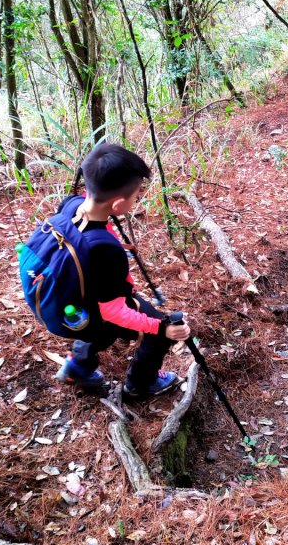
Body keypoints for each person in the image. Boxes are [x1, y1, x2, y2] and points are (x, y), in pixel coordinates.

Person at [53, 142, 191, 399]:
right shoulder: (106, 253)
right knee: (157, 328)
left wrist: (116, 244)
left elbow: (84, 238)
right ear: (117, 205)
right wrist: (163, 329)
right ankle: (141, 383)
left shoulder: (72, 204)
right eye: (136, 195)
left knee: (103, 330)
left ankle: (77, 366)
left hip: (74, 299)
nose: (137, 198)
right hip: (98, 305)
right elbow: (114, 311)